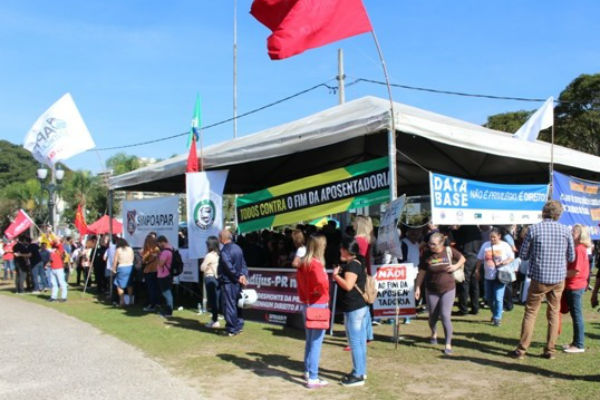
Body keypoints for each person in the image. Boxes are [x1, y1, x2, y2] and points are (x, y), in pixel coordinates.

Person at [509, 201, 575, 360]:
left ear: (543, 212)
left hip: (539, 277)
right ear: (558, 214)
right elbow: (571, 256)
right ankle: (550, 350)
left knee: (531, 313)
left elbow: (523, 255)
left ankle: (522, 349)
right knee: (553, 313)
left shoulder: (534, 229)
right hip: (558, 278)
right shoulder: (565, 231)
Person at [415, 232, 466, 355]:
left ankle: (448, 344)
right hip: (431, 289)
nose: (430, 246)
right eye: (429, 243)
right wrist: (417, 287)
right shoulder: (426, 253)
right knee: (432, 316)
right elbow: (422, 271)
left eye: (433, 244)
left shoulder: (449, 250)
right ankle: (434, 333)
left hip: (448, 288)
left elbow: (463, 258)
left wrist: (455, 266)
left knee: (445, 315)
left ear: (441, 243)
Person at [332, 236, 368, 387]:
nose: (340, 250)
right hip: (358, 306)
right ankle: (360, 370)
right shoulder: (356, 262)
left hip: (354, 307)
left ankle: (358, 373)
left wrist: (335, 276)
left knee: (355, 341)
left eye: (342, 248)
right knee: (359, 341)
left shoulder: (353, 265)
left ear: (347, 250)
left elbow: (348, 285)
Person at [297, 234, 330, 389]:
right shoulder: (315, 264)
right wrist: (319, 291)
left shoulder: (304, 263)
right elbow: (321, 283)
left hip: (307, 303)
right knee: (316, 342)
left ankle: (309, 372)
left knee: (310, 340)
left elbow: (300, 284)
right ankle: (313, 376)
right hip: (317, 304)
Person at [476, 227, 514, 326]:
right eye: (491, 237)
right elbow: (480, 259)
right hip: (488, 276)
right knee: (488, 298)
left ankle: (497, 318)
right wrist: (477, 270)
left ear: (499, 237)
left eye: (494, 237)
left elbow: (511, 257)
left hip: (500, 275)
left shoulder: (505, 246)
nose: (492, 239)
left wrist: (505, 261)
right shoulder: (485, 245)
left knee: (498, 297)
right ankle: (494, 313)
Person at [563, 224, 590, 353]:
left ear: (580, 234)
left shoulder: (579, 249)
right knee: (575, 315)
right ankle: (576, 342)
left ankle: (579, 344)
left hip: (575, 285)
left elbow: (576, 271)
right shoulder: (579, 248)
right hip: (574, 284)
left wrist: (560, 274)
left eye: (574, 231)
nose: (572, 232)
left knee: (577, 315)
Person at [217, 229, 248, 336]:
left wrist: (239, 276)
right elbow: (243, 263)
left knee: (229, 305)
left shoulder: (225, 251)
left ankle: (232, 328)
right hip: (236, 281)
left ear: (222, 238)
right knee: (236, 304)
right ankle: (238, 325)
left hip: (228, 281)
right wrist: (243, 275)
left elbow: (228, 267)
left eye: (219, 237)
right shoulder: (238, 248)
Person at [353, 215, 375, 343]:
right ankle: (368, 334)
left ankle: (362, 335)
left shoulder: (358, 240)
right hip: (368, 273)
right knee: (365, 306)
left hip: (360, 274)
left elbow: (358, 259)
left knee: (359, 306)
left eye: (355, 223)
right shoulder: (369, 240)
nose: (353, 225)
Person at [455, 225, 481, 315]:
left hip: (467, 256)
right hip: (476, 256)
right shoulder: (477, 229)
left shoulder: (463, 228)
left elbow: (458, 242)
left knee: (464, 282)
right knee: (474, 283)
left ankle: (463, 309)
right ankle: (475, 308)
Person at [201, 236, 221, 328]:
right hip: (217, 278)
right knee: (216, 300)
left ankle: (214, 320)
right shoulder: (218, 254)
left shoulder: (209, 255)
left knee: (212, 300)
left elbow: (202, 268)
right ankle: (215, 319)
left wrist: (206, 265)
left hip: (210, 277)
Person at [111, 238, 135, 307]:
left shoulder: (118, 250)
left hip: (122, 267)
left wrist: (114, 269)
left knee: (119, 285)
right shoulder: (130, 249)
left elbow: (115, 261)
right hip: (130, 266)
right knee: (129, 284)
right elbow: (133, 258)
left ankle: (122, 301)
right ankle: (130, 301)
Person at [141, 234, 161, 312]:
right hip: (156, 271)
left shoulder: (147, 250)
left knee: (151, 289)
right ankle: (157, 303)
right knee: (156, 288)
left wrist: (147, 254)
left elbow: (143, 260)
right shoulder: (157, 249)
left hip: (149, 271)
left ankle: (152, 305)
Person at [156, 235, 175, 318]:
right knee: (167, 293)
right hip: (167, 274)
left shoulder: (165, 252)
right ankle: (168, 310)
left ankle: (168, 312)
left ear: (162, 242)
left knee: (167, 293)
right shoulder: (171, 249)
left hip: (164, 275)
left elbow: (160, 263)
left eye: (159, 244)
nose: (158, 246)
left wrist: (157, 257)